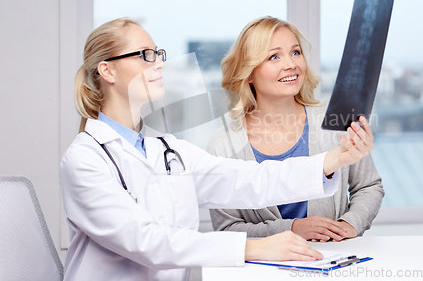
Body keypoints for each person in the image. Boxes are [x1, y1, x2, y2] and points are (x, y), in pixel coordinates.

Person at [59, 17, 374, 281]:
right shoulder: (85, 159)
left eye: (158, 53)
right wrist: (253, 247)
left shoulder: (168, 149)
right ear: (108, 71)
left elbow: (250, 180)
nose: (160, 64)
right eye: (145, 55)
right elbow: (148, 242)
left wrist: (334, 159)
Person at [208, 16, 384, 242]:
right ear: (249, 72)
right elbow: (227, 228)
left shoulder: (335, 124)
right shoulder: (224, 145)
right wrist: (291, 229)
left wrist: (350, 224)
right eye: (274, 56)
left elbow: (369, 186)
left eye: (295, 52)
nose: (291, 64)